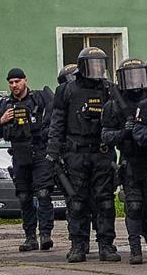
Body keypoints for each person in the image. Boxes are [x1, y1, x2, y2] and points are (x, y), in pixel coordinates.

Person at [45, 47, 120, 263]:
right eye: (93, 65)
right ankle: (78, 245)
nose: (98, 70)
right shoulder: (67, 90)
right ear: (82, 66)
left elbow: (120, 118)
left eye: (101, 65)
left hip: (102, 152)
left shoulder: (108, 89)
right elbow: (57, 123)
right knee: (77, 202)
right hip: (75, 153)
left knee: (105, 201)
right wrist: (53, 152)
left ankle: (106, 245)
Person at [100, 58, 147, 264]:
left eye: (138, 76)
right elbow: (106, 136)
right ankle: (135, 248)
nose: (135, 82)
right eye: (130, 77)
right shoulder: (113, 105)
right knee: (134, 206)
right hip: (130, 160)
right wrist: (124, 133)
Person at [0, 68, 55, 252]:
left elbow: (54, 120)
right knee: (24, 196)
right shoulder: (3, 105)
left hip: (39, 152)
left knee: (43, 194)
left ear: (25, 80)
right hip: (19, 155)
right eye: (11, 82)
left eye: (17, 81)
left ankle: (45, 235)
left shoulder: (39, 99)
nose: (14, 86)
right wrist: (2, 121)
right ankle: (30, 237)